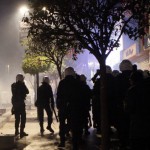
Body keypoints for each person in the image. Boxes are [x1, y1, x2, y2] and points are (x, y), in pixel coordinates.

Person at [126, 71, 150, 150]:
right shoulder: (147, 88)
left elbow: (130, 108)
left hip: (137, 119)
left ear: (132, 80)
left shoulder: (132, 90)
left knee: (137, 141)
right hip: (147, 118)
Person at [11, 74, 29, 138]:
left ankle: (16, 131)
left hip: (15, 104)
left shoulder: (13, 85)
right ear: (21, 78)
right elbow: (27, 91)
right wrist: (23, 84)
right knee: (23, 118)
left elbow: (13, 93)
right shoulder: (22, 85)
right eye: (22, 78)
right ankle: (21, 131)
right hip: (21, 103)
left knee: (17, 118)